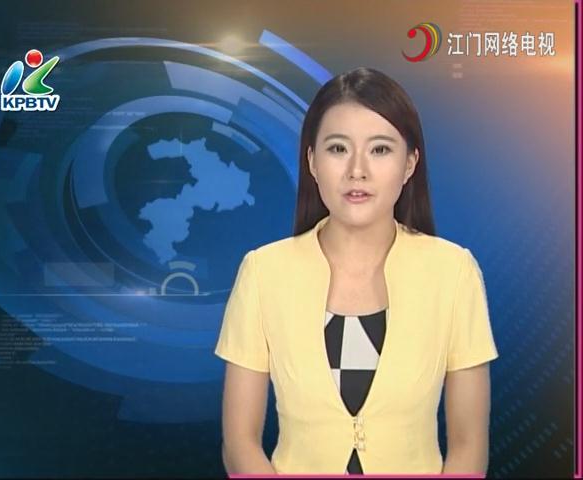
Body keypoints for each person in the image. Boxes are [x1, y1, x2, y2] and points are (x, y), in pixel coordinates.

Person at [214, 66, 499, 475]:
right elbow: (240, 443)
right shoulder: (263, 273)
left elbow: (469, 448)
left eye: (380, 150)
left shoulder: (454, 272)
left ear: (410, 163)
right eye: (338, 149)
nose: (357, 171)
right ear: (312, 161)